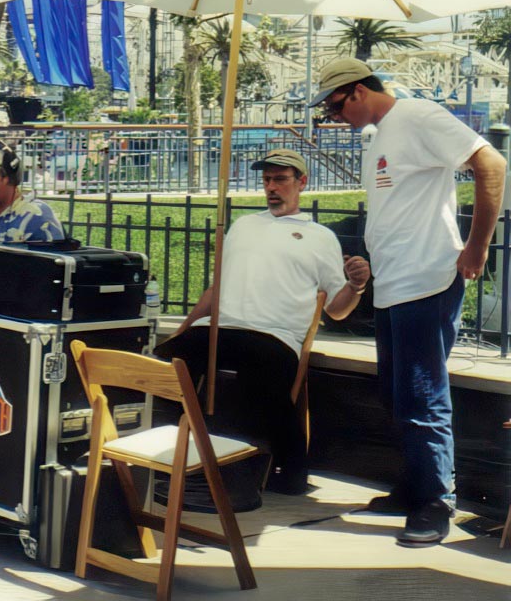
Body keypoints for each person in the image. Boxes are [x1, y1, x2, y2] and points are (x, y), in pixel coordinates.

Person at [311, 56, 506, 546]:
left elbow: (492, 163)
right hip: (395, 284)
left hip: (427, 280)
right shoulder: (380, 136)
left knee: (423, 396)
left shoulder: (418, 116)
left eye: (335, 108)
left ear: (356, 91)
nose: (335, 119)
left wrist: (477, 245)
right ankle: (413, 485)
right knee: (398, 394)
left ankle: (436, 502)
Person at [155, 149, 370, 494]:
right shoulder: (242, 226)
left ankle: (292, 468)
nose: (271, 187)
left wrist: (356, 286)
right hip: (220, 329)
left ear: (302, 182)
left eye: (281, 179)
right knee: (161, 365)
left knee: (265, 378)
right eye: (267, 180)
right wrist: (182, 331)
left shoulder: (320, 237)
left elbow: (337, 310)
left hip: (274, 335)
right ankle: (161, 455)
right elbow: (216, 287)